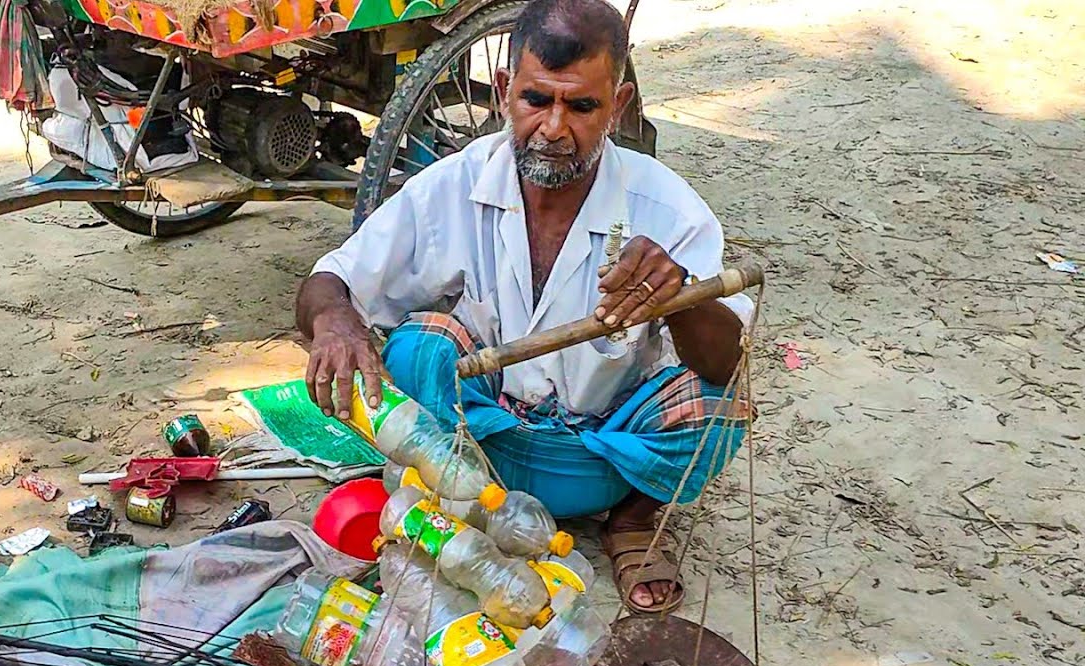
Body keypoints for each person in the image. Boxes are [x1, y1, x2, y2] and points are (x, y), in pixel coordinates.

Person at [294, 0, 752, 614]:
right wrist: (335, 321)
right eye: (537, 100)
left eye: (581, 106)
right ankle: (465, 502)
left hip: (605, 456)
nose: (555, 128)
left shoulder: (667, 208)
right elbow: (331, 279)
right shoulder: (457, 182)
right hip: (483, 444)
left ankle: (633, 518)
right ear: (507, 91)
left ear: (615, 107)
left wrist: (678, 299)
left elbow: (725, 363)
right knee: (416, 345)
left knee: (720, 409)